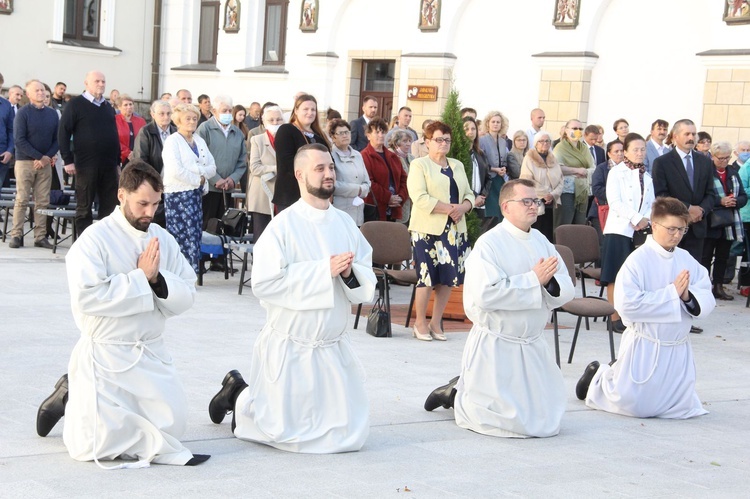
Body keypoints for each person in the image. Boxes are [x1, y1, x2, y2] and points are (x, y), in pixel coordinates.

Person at [35, 161, 209, 467]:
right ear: (121, 195)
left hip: (148, 351)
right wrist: (140, 277)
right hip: (107, 355)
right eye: (142, 203)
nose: (150, 213)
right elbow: (88, 296)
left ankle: (74, 392)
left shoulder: (162, 239)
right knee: (94, 445)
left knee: (173, 427)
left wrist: (157, 280)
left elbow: (187, 290)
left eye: (156, 204)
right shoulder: (94, 240)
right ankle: (72, 393)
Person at [207, 143, 377, 453]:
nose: (328, 174)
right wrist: (321, 271)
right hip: (292, 346)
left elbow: (365, 274)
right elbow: (265, 283)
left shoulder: (344, 224)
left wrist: (348, 273)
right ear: (299, 175)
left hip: (330, 348)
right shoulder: (283, 226)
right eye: (320, 168)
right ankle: (237, 394)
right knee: (282, 432)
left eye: (331, 168)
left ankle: (240, 391)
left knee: (348, 436)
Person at [424, 179, 574, 438]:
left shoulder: (541, 241)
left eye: (535, 201)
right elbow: (485, 294)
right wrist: (532, 280)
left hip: (531, 343)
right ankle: (456, 393)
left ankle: (458, 387)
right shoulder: (489, 244)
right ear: (505, 207)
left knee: (544, 417)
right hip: (498, 344)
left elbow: (565, 286)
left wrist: (547, 283)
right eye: (526, 201)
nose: (533, 206)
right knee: (499, 418)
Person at [576, 197, 716, 419]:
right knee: (636, 407)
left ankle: (615, 373)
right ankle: (598, 379)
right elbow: (626, 305)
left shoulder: (685, 258)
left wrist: (688, 297)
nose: (677, 235)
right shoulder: (637, 261)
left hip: (676, 347)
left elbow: (706, 293)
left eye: (682, 229)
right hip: (647, 345)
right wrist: (671, 294)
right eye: (671, 229)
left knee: (681, 406)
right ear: (655, 225)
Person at [408, 121, 474, 341]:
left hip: (455, 230)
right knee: (427, 277)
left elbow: (469, 194)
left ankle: (436, 322)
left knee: (448, 278)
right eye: (438, 139)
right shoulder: (420, 165)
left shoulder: (457, 165)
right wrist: (450, 210)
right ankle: (419, 322)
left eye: (447, 140)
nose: (443, 143)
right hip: (427, 229)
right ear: (427, 142)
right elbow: (419, 197)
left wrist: (463, 207)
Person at [600, 133, 655, 333]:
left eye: (643, 150)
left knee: (633, 275)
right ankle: (614, 316)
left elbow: (651, 202)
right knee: (615, 274)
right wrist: (635, 218)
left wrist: (645, 219)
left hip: (640, 231)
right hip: (619, 229)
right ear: (626, 152)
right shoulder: (617, 172)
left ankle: (629, 315)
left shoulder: (647, 176)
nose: (640, 153)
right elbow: (614, 202)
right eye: (635, 149)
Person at [58, 70, 120, 236]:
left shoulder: (108, 107)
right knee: (84, 207)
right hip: (86, 165)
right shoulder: (76, 104)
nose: (101, 84)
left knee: (109, 208)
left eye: (103, 81)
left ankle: (105, 241)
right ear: (86, 83)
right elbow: (63, 132)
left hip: (108, 166)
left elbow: (113, 135)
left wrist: (117, 162)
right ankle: (84, 245)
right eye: (97, 81)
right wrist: (67, 160)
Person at [161, 103, 217, 274]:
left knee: (194, 235)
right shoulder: (173, 141)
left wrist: (199, 174)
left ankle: (191, 272)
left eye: (194, 118)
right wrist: (198, 178)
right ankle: (176, 272)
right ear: (178, 121)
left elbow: (212, 166)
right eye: (188, 118)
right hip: (178, 195)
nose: (192, 122)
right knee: (179, 236)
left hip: (195, 195)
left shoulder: (199, 140)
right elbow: (175, 169)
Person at [652, 119, 717, 263]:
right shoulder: (663, 162)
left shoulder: (705, 162)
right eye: (687, 134)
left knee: (692, 271)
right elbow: (661, 194)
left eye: (694, 134)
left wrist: (701, 211)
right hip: (672, 227)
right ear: (675, 136)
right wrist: (687, 209)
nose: (691, 138)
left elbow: (711, 193)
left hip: (697, 227)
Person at [8, 79, 59, 249]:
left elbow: (57, 139)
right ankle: (16, 234)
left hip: (45, 164)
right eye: (36, 90)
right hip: (25, 162)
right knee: (22, 199)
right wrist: (39, 157)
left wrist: (46, 157)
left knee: (42, 201)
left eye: (42, 90)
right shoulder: (23, 113)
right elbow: (19, 140)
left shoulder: (52, 114)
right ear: (28, 94)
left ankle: (40, 236)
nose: (41, 93)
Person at [701, 141, 747, 300]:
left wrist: (735, 201)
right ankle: (704, 286)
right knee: (706, 256)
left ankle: (718, 286)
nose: (724, 161)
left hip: (728, 222)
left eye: (727, 158)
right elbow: (701, 196)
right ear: (713, 156)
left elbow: (743, 196)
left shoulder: (733, 172)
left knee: (723, 256)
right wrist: (720, 201)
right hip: (710, 221)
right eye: (720, 158)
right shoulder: (706, 172)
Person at [195, 94, 247, 233]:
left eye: (230, 110)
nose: (228, 114)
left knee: (224, 229)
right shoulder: (205, 129)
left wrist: (232, 179)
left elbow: (242, 161)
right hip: (209, 189)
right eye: (224, 111)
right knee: (207, 227)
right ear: (214, 111)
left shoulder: (237, 133)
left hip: (228, 188)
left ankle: (221, 255)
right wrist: (216, 179)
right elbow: (200, 158)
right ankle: (206, 255)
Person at [272, 94, 330, 212]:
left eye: (313, 109)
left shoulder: (319, 137)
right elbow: (287, 162)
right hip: (291, 195)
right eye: (306, 109)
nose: (310, 112)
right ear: (296, 110)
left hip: (316, 196)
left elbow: (329, 161)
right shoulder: (286, 130)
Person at [133, 100, 176, 228]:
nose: (166, 117)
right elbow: (141, 161)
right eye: (161, 113)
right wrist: (155, 181)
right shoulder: (146, 132)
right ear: (153, 114)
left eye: (168, 113)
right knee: (155, 221)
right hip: (153, 184)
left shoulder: (176, 132)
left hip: (173, 185)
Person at [247, 105, 284, 241]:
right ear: (264, 122)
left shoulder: (287, 139)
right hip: (262, 195)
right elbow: (255, 167)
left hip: (282, 195)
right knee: (262, 237)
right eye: (271, 120)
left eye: (279, 120)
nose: (275, 123)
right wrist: (276, 168)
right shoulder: (257, 139)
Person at [520, 131, 564, 242]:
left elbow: (561, 179)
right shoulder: (529, 158)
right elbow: (527, 180)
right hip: (536, 202)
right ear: (535, 143)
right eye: (541, 141)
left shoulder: (553, 158)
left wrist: (552, 195)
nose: (544, 143)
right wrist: (545, 194)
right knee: (536, 233)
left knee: (547, 235)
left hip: (551, 203)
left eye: (547, 141)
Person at [361, 118, 408, 222]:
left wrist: (400, 197)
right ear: (368, 136)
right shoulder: (364, 156)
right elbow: (369, 182)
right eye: (377, 132)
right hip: (375, 210)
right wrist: (388, 198)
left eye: (383, 132)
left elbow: (403, 179)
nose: (381, 135)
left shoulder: (392, 156)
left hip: (393, 209)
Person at [553, 119, 594, 228]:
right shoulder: (560, 148)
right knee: (565, 223)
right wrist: (577, 170)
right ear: (566, 130)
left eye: (580, 129)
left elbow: (593, 167)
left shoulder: (584, 148)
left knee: (579, 224)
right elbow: (557, 167)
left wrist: (585, 171)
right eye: (574, 128)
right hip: (566, 191)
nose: (578, 131)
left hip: (582, 191)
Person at [329, 118, 370, 226]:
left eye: (347, 132)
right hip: (340, 211)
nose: (345, 135)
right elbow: (333, 185)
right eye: (341, 133)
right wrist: (358, 189)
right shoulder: (330, 156)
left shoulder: (358, 155)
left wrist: (363, 190)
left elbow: (367, 182)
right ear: (333, 137)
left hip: (358, 212)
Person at [463, 117, 492, 232]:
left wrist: (483, 196)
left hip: (480, 203)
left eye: (473, 129)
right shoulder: (459, 155)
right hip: (465, 202)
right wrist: (474, 196)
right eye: (466, 129)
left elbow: (488, 178)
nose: (470, 132)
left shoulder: (480, 154)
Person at [591, 139, 624, 233]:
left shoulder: (628, 168)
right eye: (616, 151)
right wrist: (616, 195)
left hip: (623, 212)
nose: (620, 154)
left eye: (622, 151)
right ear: (609, 154)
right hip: (604, 209)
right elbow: (596, 189)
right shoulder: (602, 168)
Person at [388, 128, 414, 224]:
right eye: (404, 141)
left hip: (411, 202)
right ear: (396, 142)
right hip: (398, 200)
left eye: (409, 141)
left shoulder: (412, 157)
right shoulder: (391, 156)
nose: (408, 144)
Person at [114, 94, 147, 167]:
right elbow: (114, 139)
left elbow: (144, 138)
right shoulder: (115, 120)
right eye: (125, 105)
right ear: (119, 107)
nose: (129, 107)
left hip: (138, 157)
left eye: (130, 104)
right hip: (120, 158)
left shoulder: (141, 121)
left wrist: (136, 153)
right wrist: (128, 153)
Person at [735, 140, 750, 296]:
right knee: (747, 253)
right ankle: (745, 284)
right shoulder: (746, 168)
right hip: (748, 215)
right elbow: (742, 189)